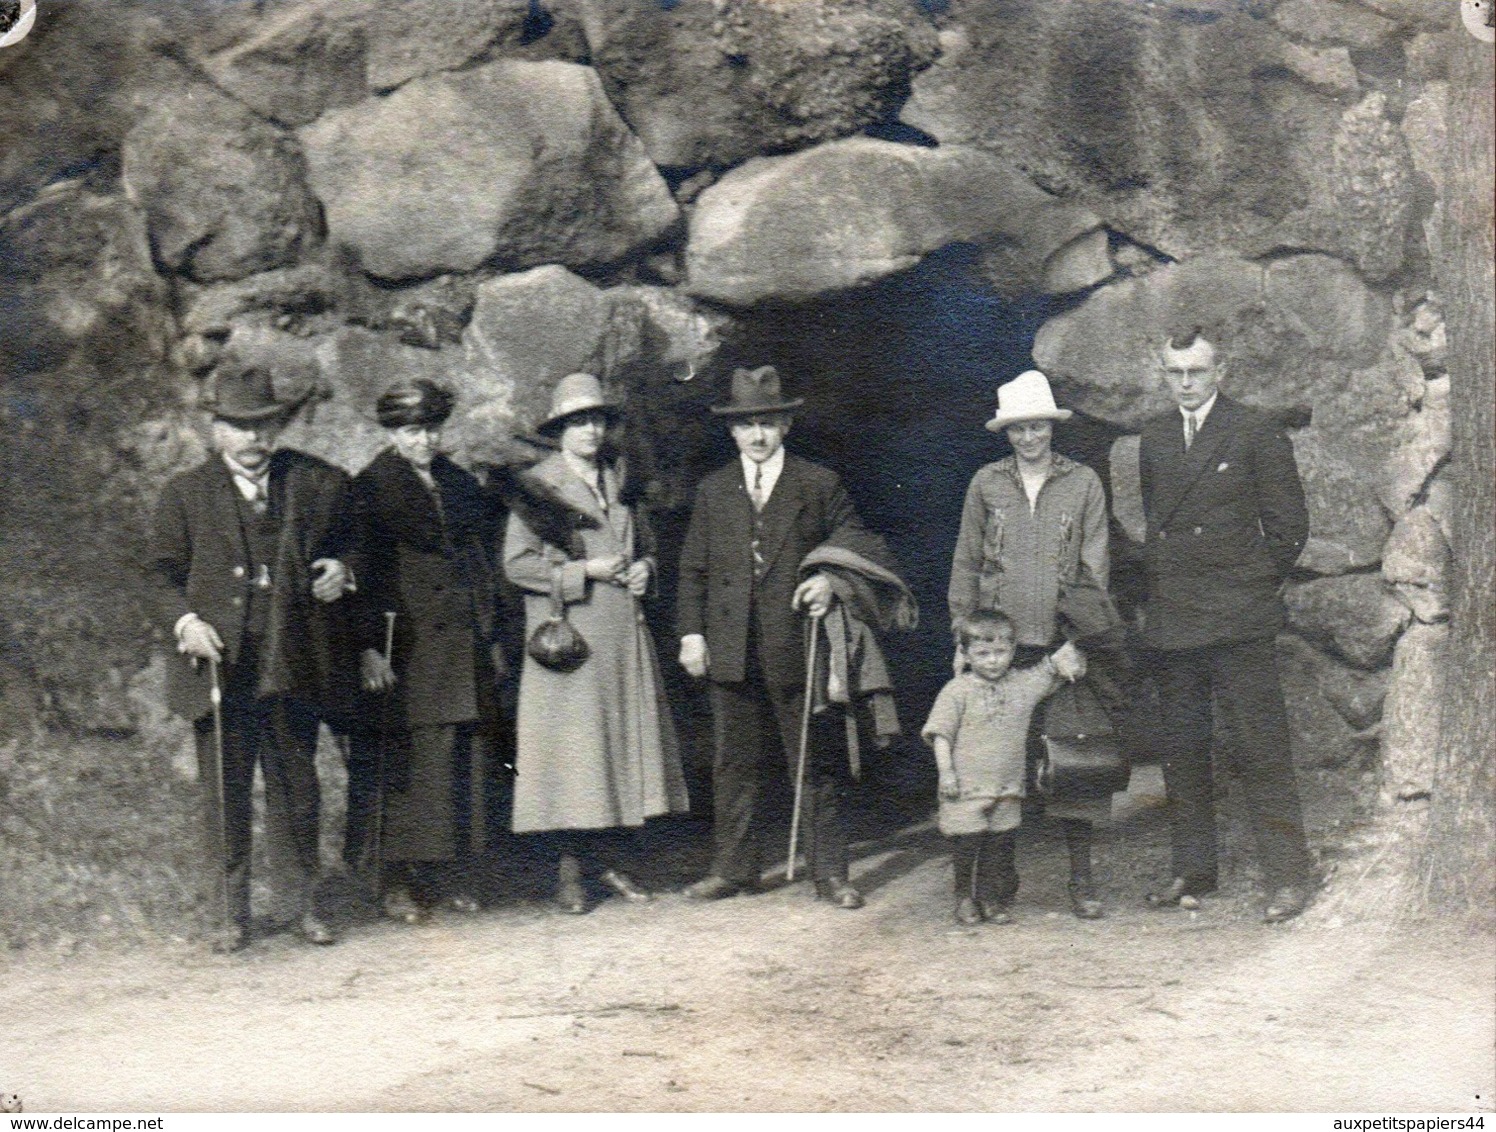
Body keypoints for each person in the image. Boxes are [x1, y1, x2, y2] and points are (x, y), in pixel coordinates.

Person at [146, 361, 357, 951]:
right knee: (226, 794)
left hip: (291, 663)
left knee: (298, 789)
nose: (254, 440)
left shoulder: (312, 483)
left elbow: (354, 534)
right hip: (222, 669)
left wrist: (343, 569)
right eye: (239, 427)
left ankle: (304, 905)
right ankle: (229, 913)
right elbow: (159, 577)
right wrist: (185, 622)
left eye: (264, 426)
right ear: (216, 430)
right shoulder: (184, 495)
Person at [677, 365, 896, 910]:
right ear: (731, 431)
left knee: (815, 760)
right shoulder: (713, 490)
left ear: (785, 427)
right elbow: (693, 571)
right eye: (747, 425)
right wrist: (691, 635)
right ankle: (734, 868)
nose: (758, 435)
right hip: (730, 647)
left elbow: (858, 540)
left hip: (797, 645)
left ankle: (831, 874)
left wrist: (830, 579)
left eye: (768, 423)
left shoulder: (816, 483)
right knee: (732, 761)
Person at [1138, 327, 1316, 923]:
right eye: (1174, 373)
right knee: (1183, 748)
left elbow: (1289, 527)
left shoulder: (1255, 430)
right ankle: (1194, 868)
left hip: (1239, 619)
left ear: (1221, 372)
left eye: (1196, 371)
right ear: (1163, 374)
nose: (1185, 383)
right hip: (1177, 618)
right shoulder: (1156, 436)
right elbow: (1158, 526)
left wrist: (1246, 586)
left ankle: (1289, 877)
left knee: (1260, 746)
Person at [503, 373, 688, 913]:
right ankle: (568, 873)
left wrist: (644, 570)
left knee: (616, 751)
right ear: (559, 429)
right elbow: (515, 566)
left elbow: (646, 545)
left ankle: (610, 861)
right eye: (578, 421)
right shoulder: (539, 484)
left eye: (597, 419)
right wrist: (586, 571)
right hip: (572, 643)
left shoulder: (619, 478)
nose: (590, 430)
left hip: (622, 636)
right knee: (571, 756)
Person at [947, 369, 1113, 918]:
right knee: (997, 768)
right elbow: (967, 563)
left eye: (1037, 426)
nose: (1028, 438)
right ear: (1006, 432)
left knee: (1075, 762)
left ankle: (1083, 883)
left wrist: (1081, 639)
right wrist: (964, 639)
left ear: (1052, 427)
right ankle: (996, 885)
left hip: (1060, 645)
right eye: (1017, 429)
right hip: (1001, 651)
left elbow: (1095, 565)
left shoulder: (1084, 482)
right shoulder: (986, 483)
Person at [346, 379, 503, 924]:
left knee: (459, 755)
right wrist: (367, 646)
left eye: (432, 429)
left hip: (459, 640)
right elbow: (360, 576)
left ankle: (451, 872)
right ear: (392, 433)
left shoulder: (457, 483)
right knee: (408, 762)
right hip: (404, 641)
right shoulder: (369, 488)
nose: (424, 441)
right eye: (412, 431)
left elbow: (478, 557)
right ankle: (395, 881)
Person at [923, 611, 1086, 924]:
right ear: (966, 654)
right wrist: (946, 774)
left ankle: (989, 899)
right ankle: (963, 898)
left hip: (1007, 787)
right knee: (967, 844)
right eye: (982, 654)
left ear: (1012, 652)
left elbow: (1047, 670)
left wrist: (1068, 653)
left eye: (1000, 653)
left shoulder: (1021, 686)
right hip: (966, 789)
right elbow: (941, 734)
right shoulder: (957, 691)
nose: (993, 661)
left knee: (997, 847)